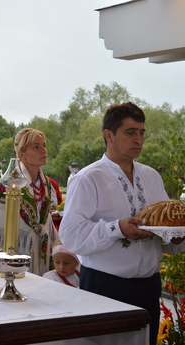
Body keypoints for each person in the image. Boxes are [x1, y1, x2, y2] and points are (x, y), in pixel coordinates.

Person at [59, 102, 185, 345]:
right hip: (104, 286)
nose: (138, 139)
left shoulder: (151, 176)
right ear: (109, 135)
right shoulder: (88, 178)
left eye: (141, 132)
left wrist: (176, 238)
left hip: (149, 286)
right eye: (130, 132)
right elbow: (71, 236)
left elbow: (166, 228)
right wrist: (117, 228)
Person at [0, 128, 59, 276]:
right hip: (14, 253)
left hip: (41, 253)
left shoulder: (46, 184)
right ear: (21, 153)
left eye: (44, 145)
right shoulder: (7, 184)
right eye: (36, 147)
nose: (44, 150)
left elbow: (46, 221)